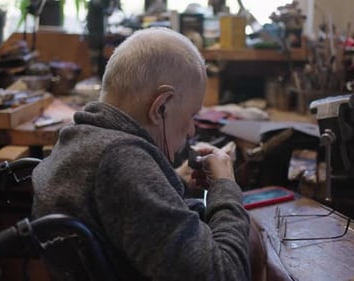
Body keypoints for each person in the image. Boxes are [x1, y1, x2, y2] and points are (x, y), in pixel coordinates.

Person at [31, 27, 252, 281]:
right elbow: (227, 275)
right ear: (161, 107)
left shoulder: (80, 139)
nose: (192, 129)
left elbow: (135, 214)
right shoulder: (122, 162)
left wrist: (172, 183)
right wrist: (225, 189)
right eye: (191, 115)